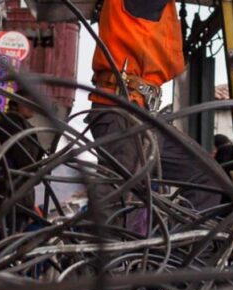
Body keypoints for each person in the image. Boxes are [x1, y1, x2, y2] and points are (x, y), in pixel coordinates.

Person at [88, 0, 222, 231]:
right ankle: (103, 264)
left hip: (140, 112)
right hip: (123, 111)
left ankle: (184, 261)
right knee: (119, 205)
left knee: (207, 177)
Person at [0, 90, 47, 238]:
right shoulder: (11, 122)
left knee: (4, 248)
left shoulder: (17, 125)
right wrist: (39, 165)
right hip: (5, 197)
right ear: (15, 103)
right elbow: (26, 161)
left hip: (10, 198)